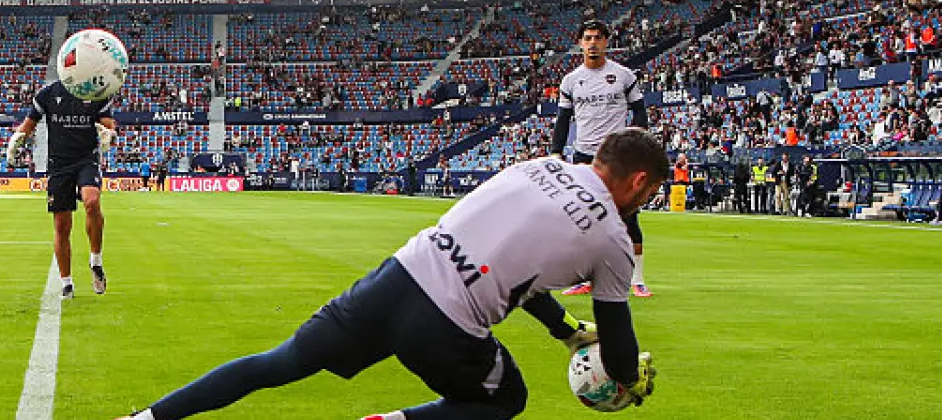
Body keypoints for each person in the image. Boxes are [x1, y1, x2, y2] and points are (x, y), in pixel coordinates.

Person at [115, 129, 666, 420]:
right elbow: (617, 356)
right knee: (504, 401)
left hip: (396, 278)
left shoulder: (540, 166)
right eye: (651, 192)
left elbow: (519, 269)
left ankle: (144, 419)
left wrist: (565, 330)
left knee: (278, 363)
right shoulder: (614, 239)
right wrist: (629, 378)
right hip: (447, 323)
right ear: (639, 182)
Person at [551, 20, 653, 298]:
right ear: (581, 43)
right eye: (587, 38)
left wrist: (634, 141)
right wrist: (556, 152)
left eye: (598, 37)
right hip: (584, 155)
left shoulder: (622, 75)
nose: (593, 43)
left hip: (617, 155)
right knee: (584, 219)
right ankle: (587, 278)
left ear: (606, 41)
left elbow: (640, 111)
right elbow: (562, 120)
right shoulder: (571, 81)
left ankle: (638, 279)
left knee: (629, 218)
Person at [8, 79, 118, 299]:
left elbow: (109, 125)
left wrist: (110, 134)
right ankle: (66, 283)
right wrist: (16, 140)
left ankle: (96, 261)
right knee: (61, 224)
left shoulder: (96, 92)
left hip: (87, 159)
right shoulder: (47, 94)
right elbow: (29, 125)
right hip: (58, 164)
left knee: (92, 201)